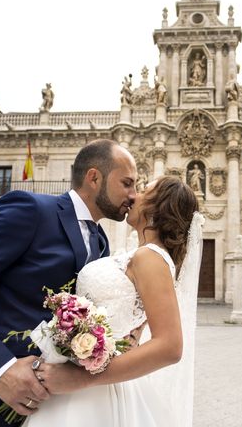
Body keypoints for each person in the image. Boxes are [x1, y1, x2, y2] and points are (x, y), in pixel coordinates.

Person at [0, 139, 138, 426]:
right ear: (94, 177)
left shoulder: (101, 243)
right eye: (127, 183)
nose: (134, 195)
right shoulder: (31, 209)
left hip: (53, 409)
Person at [25, 176, 203, 427]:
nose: (133, 196)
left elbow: (170, 347)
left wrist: (81, 378)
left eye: (143, 191)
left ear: (158, 206)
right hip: (91, 376)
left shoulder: (150, 257)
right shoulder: (142, 256)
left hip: (93, 387)